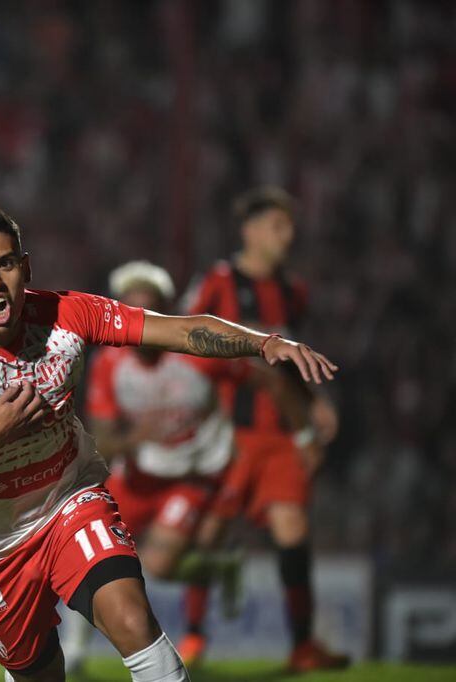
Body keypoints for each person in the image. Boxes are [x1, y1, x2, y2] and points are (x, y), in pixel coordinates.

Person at [0, 208, 337, 682]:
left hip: (69, 502)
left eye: (4, 264)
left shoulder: (66, 315)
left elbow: (174, 329)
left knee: (133, 621)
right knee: (41, 673)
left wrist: (263, 343)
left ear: (25, 267)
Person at [62, 261, 316, 674]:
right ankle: (73, 653)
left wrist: (304, 433)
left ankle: (217, 567)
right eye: (132, 309)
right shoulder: (109, 364)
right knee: (87, 548)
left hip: (193, 475)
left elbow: (267, 381)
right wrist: (135, 439)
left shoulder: (196, 354)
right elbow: (104, 438)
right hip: (140, 474)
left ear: (162, 312)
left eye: (149, 309)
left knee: (159, 566)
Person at [184, 186, 349, 672]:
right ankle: (193, 637)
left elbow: (293, 364)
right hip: (227, 433)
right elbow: (184, 341)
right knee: (209, 533)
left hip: (280, 437)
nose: (288, 236)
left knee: (292, 529)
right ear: (250, 231)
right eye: (278, 226)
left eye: (290, 227)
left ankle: (302, 645)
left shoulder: (293, 291)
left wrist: (317, 403)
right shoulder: (216, 282)